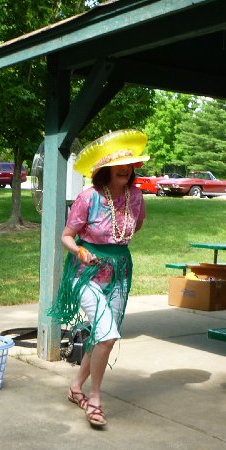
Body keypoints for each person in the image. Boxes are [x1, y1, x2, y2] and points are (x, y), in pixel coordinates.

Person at [48, 129, 149, 428]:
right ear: (105, 170)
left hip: (119, 273)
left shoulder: (136, 196)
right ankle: (95, 399)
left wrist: (115, 240)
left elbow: (137, 225)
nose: (126, 169)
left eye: (129, 165)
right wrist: (80, 250)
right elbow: (67, 236)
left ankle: (75, 387)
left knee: (102, 336)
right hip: (87, 275)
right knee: (107, 335)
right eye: (119, 165)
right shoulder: (88, 198)